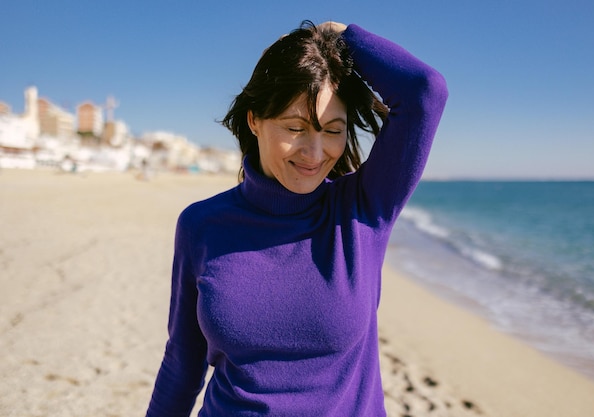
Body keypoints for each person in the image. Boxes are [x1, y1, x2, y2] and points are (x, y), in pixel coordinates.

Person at [146, 20, 447, 416]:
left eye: (333, 131)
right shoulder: (202, 224)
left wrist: (338, 36)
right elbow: (182, 364)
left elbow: (424, 91)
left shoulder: (362, 210)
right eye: (295, 127)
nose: (314, 152)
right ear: (255, 120)